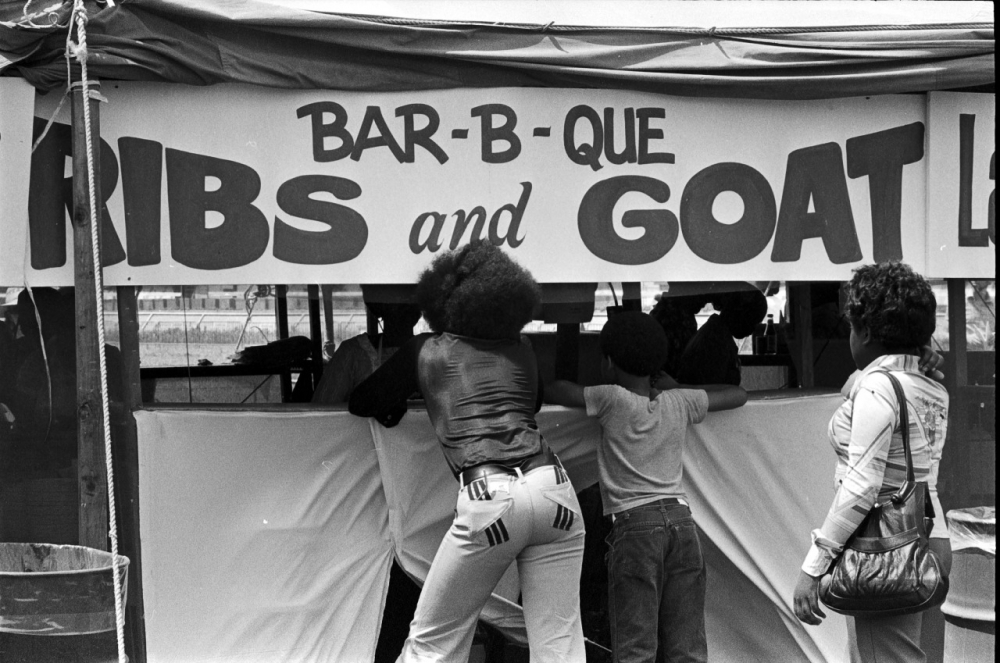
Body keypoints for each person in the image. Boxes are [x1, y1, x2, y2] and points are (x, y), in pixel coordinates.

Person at [349, 241, 587, 662]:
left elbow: (363, 401)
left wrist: (400, 402)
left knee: (434, 641)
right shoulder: (522, 350)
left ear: (441, 302)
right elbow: (527, 407)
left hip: (490, 499)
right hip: (555, 492)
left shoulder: (427, 350)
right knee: (560, 646)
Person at [544, 311, 748, 663]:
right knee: (687, 648)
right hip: (682, 525)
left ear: (608, 363)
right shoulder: (678, 402)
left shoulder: (611, 399)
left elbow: (557, 389)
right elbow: (738, 394)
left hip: (635, 529)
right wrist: (675, 387)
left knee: (636, 648)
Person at [793, 262, 950, 663]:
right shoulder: (930, 385)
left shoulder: (878, 389)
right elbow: (859, 381)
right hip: (930, 536)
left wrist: (814, 565)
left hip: (885, 545)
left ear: (863, 331)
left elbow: (862, 486)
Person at [311, 287, 422, 404]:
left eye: (409, 303)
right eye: (398, 303)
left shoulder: (434, 352)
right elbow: (321, 413)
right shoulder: (352, 353)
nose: (404, 310)